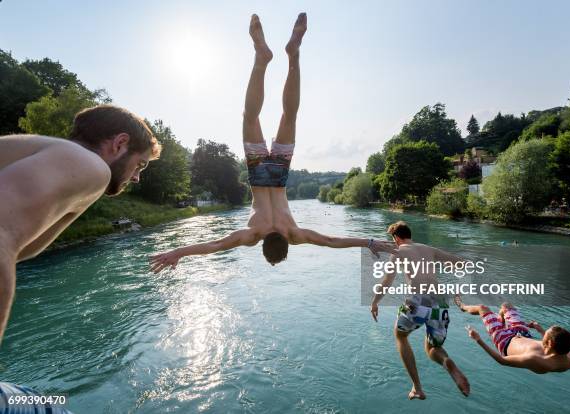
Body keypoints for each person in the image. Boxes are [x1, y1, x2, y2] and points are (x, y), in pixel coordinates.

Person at [150, 14, 393, 272]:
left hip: (279, 174)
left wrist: (369, 241)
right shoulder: (252, 234)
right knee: (250, 116)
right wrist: (178, 252)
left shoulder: (294, 233)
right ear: (264, 246)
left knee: (289, 116)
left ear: (286, 245)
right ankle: (261, 60)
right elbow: (214, 245)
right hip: (257, 173)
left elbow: (332, 240)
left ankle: (294, 55)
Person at [0, 105, 161, 411]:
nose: (137, 178)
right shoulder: (89, 166)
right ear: (120, 143)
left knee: (47, 402)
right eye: (140, 165)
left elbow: (21, 248)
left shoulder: (47, 155)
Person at [370, 221, 470, 400]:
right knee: (433, 348)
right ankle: (448, 363)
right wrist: (451, 270)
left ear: (397, 238)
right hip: (441, 303)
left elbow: (387, 281)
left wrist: (375, 302)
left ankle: (417, 387)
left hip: (418, 301)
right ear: (409, 235)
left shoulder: (398, 251)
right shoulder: (428, 248)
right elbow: (462, 264)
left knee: (400, 336)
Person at [454, 296, 570, 373]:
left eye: (545, 336)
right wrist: (540, 330)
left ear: (550, 343)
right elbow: (557, 341)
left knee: (482, 308)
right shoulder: (569, 355)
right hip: (523, 333)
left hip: (504, 339)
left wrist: (478, 339)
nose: (543, 336)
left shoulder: (536, 360)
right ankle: (501, 320)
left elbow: (502, 360)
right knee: (506, 306)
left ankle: (462, 307)